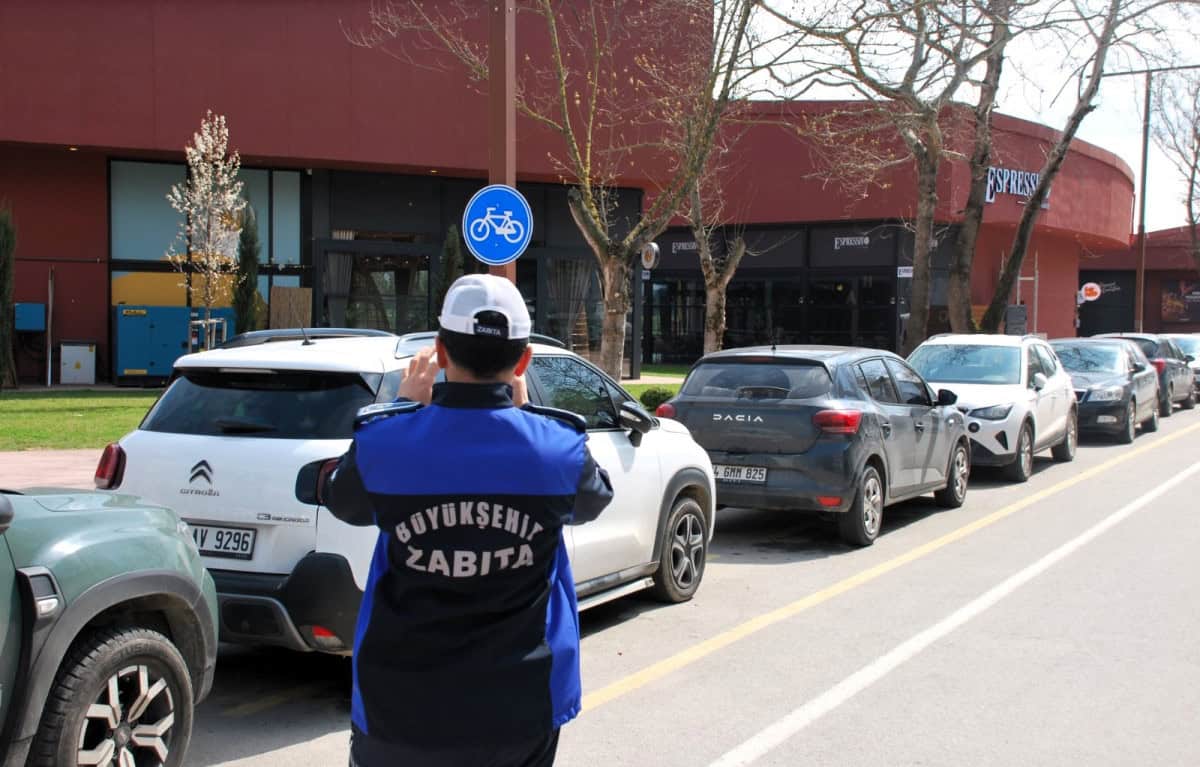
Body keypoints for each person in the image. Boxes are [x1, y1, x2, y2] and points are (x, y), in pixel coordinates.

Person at [326, 274, 613, 767]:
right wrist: (528, 414)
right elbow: (594, 500)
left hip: (401, 704)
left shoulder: (386, 442)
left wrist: (402, 407)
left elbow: (344, 501)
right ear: (523, 360)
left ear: (439, 351)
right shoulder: (556, 449)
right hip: (520, 704)